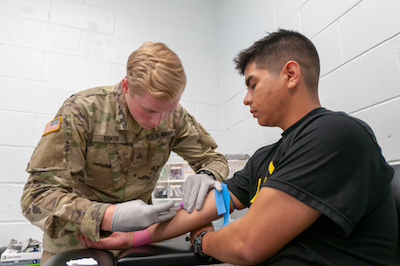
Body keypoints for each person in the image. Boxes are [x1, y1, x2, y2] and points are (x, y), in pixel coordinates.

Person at [78, 30, 400, 265]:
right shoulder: (266, 158)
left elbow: (246, 243)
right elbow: (208, 208)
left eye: (252, 84)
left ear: (290, 74)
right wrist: (133, 237)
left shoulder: (334, 135)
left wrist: (202, 240)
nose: (246, 98)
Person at [20, 42, 229, 264]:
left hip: (138, 241)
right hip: (76, 242)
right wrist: (109, 216)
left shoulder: (175, 117)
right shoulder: (82, 111)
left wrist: (208, 175)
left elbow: (213, 159)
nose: (157, 121)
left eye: (167, 111)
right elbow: (37, 196)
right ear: (126, 86)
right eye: (149, 110)